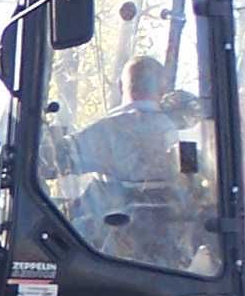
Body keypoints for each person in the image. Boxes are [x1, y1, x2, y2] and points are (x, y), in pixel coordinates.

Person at [46, 56, 199, 268]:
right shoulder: (184, 134)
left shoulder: (105, 132)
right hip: (174, 260)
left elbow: (50, 162)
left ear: (120, 86)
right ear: (163, 89)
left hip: (110, 262)